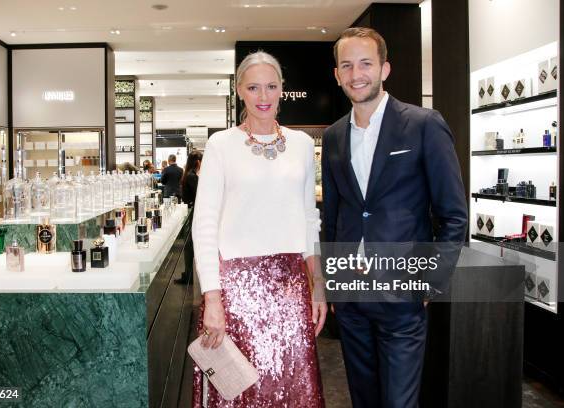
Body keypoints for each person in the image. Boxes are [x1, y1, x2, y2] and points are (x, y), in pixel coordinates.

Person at [322, 27, 468, 408]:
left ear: (385, 69)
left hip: (403, 295)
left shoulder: (423, 124)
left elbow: (454, 215)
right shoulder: (335, 136)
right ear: (337, 74)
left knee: (400, 403)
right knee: (363, 399)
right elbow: (334, 216)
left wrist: (431, 282)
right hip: (351, 298)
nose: (357, 74)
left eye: (366, 63)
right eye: (347, 65)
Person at [192, 51, 327, 407]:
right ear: (239, 91)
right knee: (240, 389)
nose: (263, 97)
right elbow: (204, 225)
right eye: (254, 87)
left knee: (291, 386)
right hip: (236, 288)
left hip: (290, 284)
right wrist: (212, 298)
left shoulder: (300, 144)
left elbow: (308, 216)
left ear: (283, 89)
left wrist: (319, 286)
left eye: (271, 86)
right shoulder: (221, 145)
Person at [174, 150, 203, 285]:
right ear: (198, 162)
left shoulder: (189, 175)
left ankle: (188, 275)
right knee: (190, 245)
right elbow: (199, 195)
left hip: (191, 210)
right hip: (193, 212)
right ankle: (188, 275)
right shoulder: (192, 176)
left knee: (190, 245)